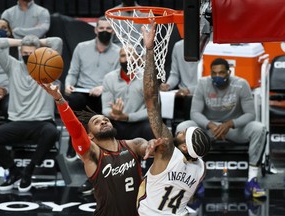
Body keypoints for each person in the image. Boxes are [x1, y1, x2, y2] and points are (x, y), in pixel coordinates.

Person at [38, 82, 164, 216]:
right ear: (90, 135)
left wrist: (152, 144)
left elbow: (147, 147)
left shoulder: (133, 144)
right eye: (96, 122)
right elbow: (75, 129)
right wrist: (59, 99)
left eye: (106, 120)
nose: (103, 121)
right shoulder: (92, 154)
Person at [137, 22, 211, 215]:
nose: (179, 131)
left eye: (183, 133)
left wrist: (149, 49)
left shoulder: (169, 151)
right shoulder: (201, 169)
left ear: (185, 147)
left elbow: (151, 99)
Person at [176, 57, 267, 199]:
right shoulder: (203, 84)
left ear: (228, 72)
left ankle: (252, 180)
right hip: (208, 129)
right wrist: (210, 124)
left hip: (233, 129)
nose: (217, 76)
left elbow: (251, 114)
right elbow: (194, 113)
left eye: (221, 73)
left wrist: (230, 124)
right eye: (214, 73)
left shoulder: (241, 84)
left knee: (259, 128)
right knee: (183, 127)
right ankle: (193, 180)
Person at [0, 34, 62, 192]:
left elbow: (57, 42)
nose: (27, 56)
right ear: (19, 52)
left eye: (31, 53)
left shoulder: (48, 66)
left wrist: (34, 41)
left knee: (52, 132)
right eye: (24, 53)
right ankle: (14, 172)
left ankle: (28, 172)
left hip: (42, 122)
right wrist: (23, 41)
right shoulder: (12, 66)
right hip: (16, 122)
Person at [64, 16, 120, 164]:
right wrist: (68, 84)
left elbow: (118, 77)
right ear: (95, 30)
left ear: (113, 31)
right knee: (75, 101)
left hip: (105, 93)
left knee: (109, 107)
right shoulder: (81, 47)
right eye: (101, 28)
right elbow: (73, 73)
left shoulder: (119, 51)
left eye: (108, 28)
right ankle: (74, 141)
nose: (105, 31)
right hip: (82, 91)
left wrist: (103, 87)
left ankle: (103, 147)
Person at [0, 18, 17, 119]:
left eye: (4, 28)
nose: (0, 30)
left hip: (10, 90)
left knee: (10, 107)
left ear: (10, 31)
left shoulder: (17, 51)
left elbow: (19, 76)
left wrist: (5, 90)